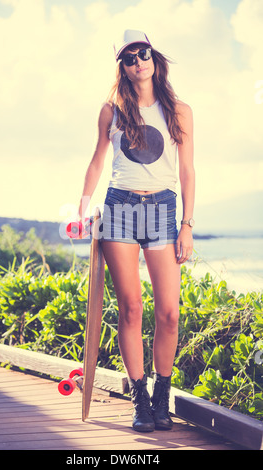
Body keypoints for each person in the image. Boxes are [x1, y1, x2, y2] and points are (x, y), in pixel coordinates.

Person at [78, 30, 195, 432]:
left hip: (163, 209)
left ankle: (163, 395)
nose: (138, 61)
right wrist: (82, 205)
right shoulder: (111, 110)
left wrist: (187, 225)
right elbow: (97, 160)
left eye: (143, 53)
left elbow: (187, 171)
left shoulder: (178, 110)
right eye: (129, 58)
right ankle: (140, 399)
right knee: (130, 308)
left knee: (169, 313)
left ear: (154, 58)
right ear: (123, 69)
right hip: (119, 209)